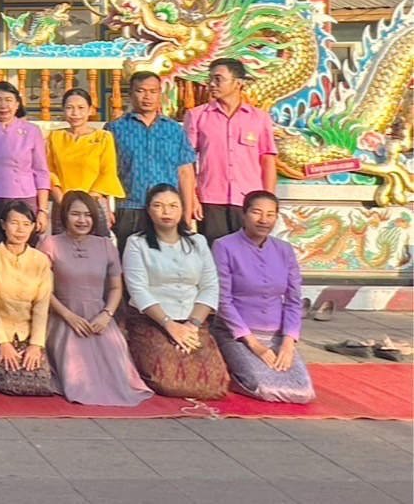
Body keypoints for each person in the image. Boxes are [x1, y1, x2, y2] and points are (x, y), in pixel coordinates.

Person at [42, 191, 151, 406]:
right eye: (75, 214)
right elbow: (42, 289)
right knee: (76, 372)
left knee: (115, 369)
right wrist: (68, 317)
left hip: (99, 318)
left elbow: (115, 287)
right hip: (63, 317)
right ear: (64, 216)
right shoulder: (49, 244)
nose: (82, 220)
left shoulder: (105, 245)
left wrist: (106, 315)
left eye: (87, 215)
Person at [121, 183, 228, 400]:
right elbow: (138, 289)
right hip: (152, 321)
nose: (166, 211)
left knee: (216, 383)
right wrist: (169, 325)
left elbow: (209, 285)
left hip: (192, 321)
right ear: (149, 210)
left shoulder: (198, 242)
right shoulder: (137, 243)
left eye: (173, 206)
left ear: (182, 209)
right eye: (159, 206)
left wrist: (192, 325)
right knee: (167, 380)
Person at [211, 190, 314, 403]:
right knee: (263, 386)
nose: (263, 220)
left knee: (302, 391)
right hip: (238, 334)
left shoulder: (284, 249)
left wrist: (288, 343)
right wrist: (254, 345)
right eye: (256, 213)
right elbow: (223, 300)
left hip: (276, 335)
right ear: (244, 214)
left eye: (270, 214)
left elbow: (294, 301)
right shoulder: (224, 246)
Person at [185, 59, 279, 242]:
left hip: (249, 201)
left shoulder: (259, 118)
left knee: (248, 256)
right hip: (210, 200)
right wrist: (191, 198)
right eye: (210, 79)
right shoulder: (197, 116)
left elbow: (267, 161)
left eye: (218, 79)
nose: (212, 84)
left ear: (238, 83)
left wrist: (268, 201)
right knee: (216, 256)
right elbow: (187, 162)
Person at [107, 73, 198, 250]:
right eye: (141, 91)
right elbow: (106, 170)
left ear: (160, 94)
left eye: (153, 91)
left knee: (167, 263)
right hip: (130, 207)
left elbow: (185, 172)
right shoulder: (115, 129)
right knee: (129, 263)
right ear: (131, 94)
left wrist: (186, 213)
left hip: (167, 210)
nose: (147, 97)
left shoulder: (174, 130)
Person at [0, 200, 55, 396]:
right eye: (14, 223)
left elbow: (41, 304)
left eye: (26, 224)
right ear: (3, 224)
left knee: (40, 386)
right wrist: (2, 342)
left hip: (26, 333)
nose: (20, 229)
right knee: (8, 382)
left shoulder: (40, 260)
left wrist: (36, 344)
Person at [0, 82, 50, 248]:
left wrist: (42, 210)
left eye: (8, 99)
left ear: (17, 104)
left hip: (24, 198)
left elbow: (41, 172)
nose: (3, 105)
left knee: (24, 250)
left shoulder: (32, 131)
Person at [46, 89, 122, 231]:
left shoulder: (103, 137)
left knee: (97, 249)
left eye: (81, 108)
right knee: (62, 249)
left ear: (90, 110)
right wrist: (63, 201)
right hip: (63, 204)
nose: (75, 113)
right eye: (70, 108)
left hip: (94, 204)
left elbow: (107, 173)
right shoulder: (54, 137)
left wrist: (85, 203)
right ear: (63, 110)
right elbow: (50, 172)